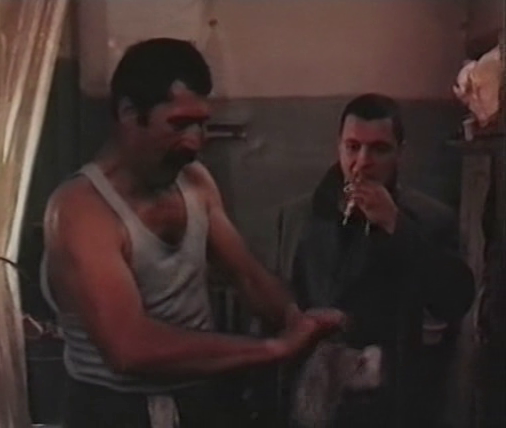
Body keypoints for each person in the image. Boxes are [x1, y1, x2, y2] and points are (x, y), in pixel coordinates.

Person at [41, 38, 343, 428]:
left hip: (199, 401)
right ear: (129, 113)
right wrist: (274, 348)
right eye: (179, 124)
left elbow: (246, 274)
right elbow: (129, 349)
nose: (195, 142)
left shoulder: (195, 182)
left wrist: (297, 319)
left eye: (201, 124)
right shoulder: (80, 210)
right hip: (113, 411)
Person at [274, 93, 475, 428]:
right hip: (311, 396)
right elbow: (279, 303)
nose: (363, 162)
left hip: (392, 402)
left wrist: (396, 225)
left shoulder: (430, 219)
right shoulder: (298, 216)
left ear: (400, 152)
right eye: (353, 147)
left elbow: (453, 299)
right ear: (338, 147)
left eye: (379, 149)